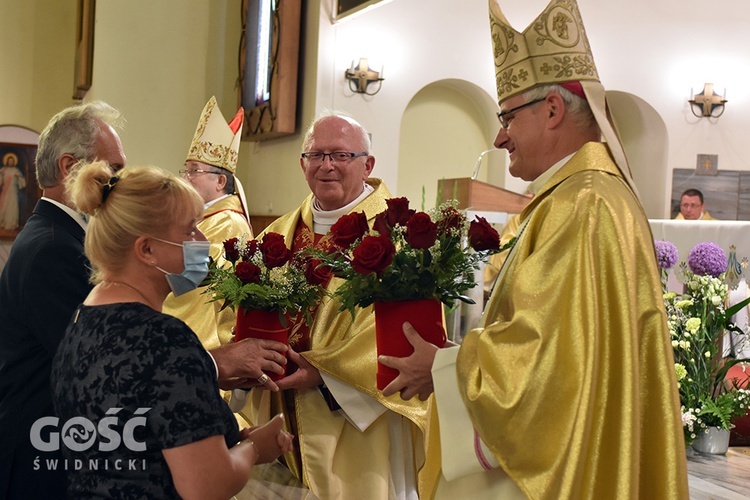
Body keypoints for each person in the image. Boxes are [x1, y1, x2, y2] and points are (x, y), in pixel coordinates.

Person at [379, 0, 689, 498]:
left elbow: (548, 364)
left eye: (507, 117)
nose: (500, 136)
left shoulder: (584, 203)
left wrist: (442, 367)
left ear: (552, 110)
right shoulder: (580, 194)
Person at [51, 160, 293, 498]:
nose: (202, 239)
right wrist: (256, 447)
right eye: (190, 229)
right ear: (147, 249)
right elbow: (207, 485)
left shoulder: (85, 314)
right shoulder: (164, 338)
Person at [241, 111, 440, 499]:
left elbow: (412, 334)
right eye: (316, 155)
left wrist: (326, 374)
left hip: (361, 423)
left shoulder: (400, 237)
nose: (326, 165)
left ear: (368, 165)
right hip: (280, 407)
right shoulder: (277, 234)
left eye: (340, 155)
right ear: (303, 165)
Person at [0, 101, 126, 499]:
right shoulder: (53, 249)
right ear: (71, 168)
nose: (119, 185)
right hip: (41, 453)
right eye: (114, 170)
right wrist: (207, 365)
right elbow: (95, 364)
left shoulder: (56, 235)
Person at [163, 96, 256, 355]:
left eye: (195, 171)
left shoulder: (227, 223)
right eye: (186, 170)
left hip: (207, 345)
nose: (186, 178)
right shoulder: (205, 218)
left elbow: (201, 290)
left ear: (219, 182)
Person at [0, 153, 27, 231]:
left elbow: (22, 183)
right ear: (7, 162)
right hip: (5, 191)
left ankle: (11, 224)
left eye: (12, 161)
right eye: (9, 161)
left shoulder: (16, 171)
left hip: (13, 191)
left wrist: (18, 177)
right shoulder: (3, 170)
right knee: (3, 206)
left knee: (12, 207)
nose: (11, 162)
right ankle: (2, 223)